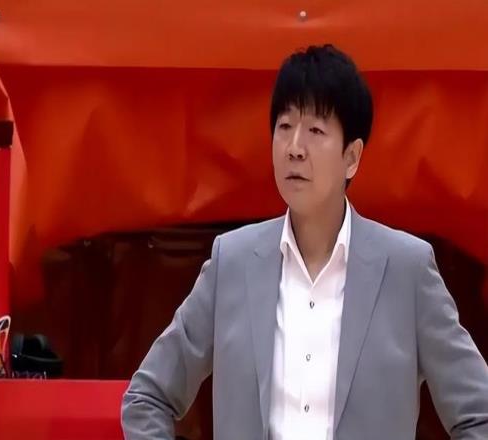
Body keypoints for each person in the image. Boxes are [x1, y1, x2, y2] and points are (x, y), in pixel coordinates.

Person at [121, 44, 488, 440]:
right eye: (284, 126)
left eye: (315, 130)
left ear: (352, 156)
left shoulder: (406, 270)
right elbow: (147, 397)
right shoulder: (232, 263)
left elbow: (479, 415)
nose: (295, 148)